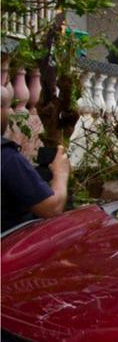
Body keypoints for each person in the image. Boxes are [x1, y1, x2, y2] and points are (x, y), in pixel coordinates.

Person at [1, 85, 70, 233]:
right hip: (11, 248)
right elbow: (51, 208)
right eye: (7, 108)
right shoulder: (6, 158)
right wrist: (60, 174)